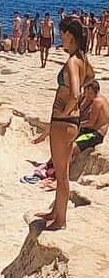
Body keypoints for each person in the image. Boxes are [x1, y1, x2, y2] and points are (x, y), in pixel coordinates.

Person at [37, 17, 95, 231]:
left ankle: (60, 220)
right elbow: (91, 76)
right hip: (72, 122)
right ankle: (55, 212)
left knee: (61, 175)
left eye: (62, 34)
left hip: (63, 122)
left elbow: (76, 91)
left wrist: (66, 108)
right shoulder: (83, 59)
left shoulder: (72, 61)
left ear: (70, 36)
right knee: (63, 172)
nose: (60, 37)